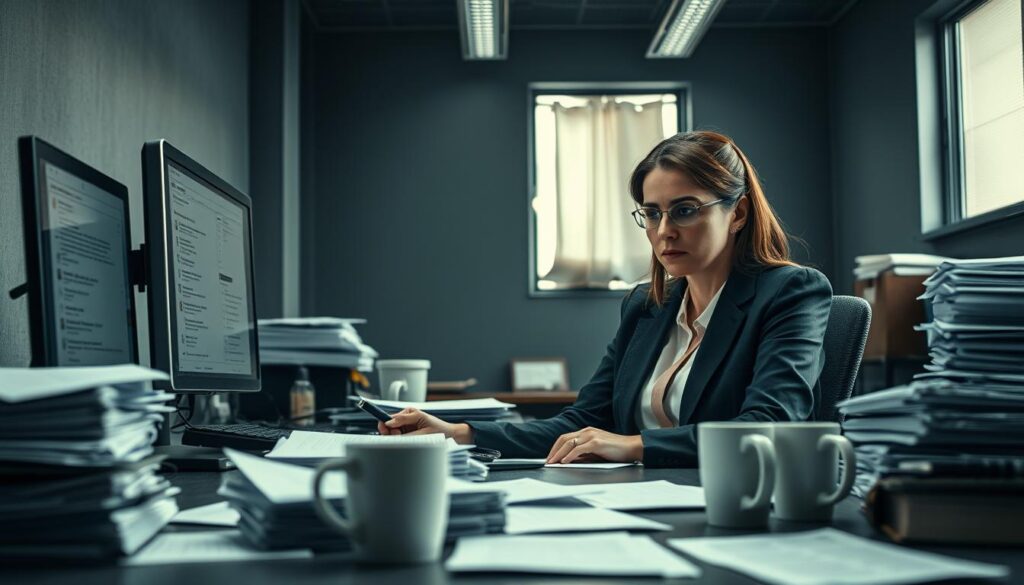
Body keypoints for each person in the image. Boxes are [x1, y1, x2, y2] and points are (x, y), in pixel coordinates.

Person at [379, 130, 832, 467]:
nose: (664, 230)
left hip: (732, 504)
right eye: (651, 213)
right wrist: (457, 433)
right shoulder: (645, 307)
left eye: (685, 210)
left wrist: (634, 445)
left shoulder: (791, 292)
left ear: (738, 213)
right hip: (635, 502)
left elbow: (770, 426)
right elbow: (582, 422)